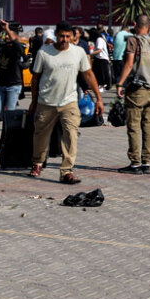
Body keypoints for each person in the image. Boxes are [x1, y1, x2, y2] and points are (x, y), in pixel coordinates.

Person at [29, 21, 103, 184]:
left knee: (71, 135)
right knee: (41, 135)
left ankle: (66, 171)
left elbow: (88, 74)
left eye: (68, 36)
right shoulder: (44, 52)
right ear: (56, 35)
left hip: (69, 102)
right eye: (62, 36)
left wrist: (99, 98)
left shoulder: (78, 52)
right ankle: (38, 162)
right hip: (46, 102)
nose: (64, 39)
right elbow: (35, 79)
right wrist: (33, 102)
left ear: (72, 36)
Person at [114, 14, 150, 174]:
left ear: (135, 24)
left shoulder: (133, 40)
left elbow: (129, 63)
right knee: (148, 128)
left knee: (134, 127)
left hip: (137, 91)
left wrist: (120, 83)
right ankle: (146, 162)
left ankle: (135, 163)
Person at [0, 21, 24, 117]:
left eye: (8, 34)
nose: (6, 36)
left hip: (13, 85)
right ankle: (8, 123)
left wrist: (7, 29)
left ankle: (9, 125)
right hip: (2, 84)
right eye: (5, 34)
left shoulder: (17, 48)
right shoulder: (2, 48)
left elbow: (17, 45)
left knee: (10, 112)